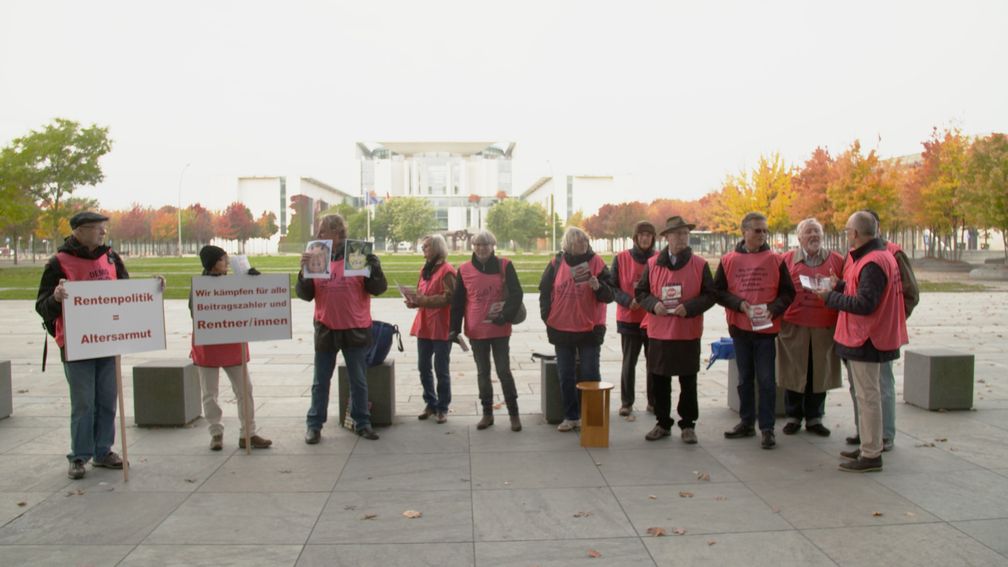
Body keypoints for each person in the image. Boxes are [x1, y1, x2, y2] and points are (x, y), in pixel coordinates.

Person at [36, 211, 129, 479]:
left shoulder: (110, 258)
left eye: (104, 229)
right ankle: (79, 455)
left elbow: (126, 293)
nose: (103, 233)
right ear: (79, 230)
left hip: (108, 342)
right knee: (84, 404)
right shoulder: (58, 263)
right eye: (98, 228)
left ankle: (103, 450)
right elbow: (42, 307)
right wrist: (55, 298)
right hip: (77, 345)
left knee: (107, 400)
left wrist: (153, 289)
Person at [815, 211, 908, 472]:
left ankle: (871, 454)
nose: (846, 235)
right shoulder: (873, 257)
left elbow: (866, 303)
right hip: (864, 337)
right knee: (867, 396)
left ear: (855, 233)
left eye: (847, 231)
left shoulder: (873, 261)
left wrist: (829, 299)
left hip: (867, 338)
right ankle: (869, 445)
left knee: (868, 397)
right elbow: (862, 291)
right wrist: (841, 285)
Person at [297, 214, 387, 443]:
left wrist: (374, 268)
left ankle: (362, 422)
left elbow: (378, 288)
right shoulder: (317, 256)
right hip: (326, 327)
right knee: (320, 381)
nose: (318, 236)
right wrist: (303, 273)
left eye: (323, 231)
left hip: (355, 327)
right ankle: (314, 425)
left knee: (358, 379)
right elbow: (305, 295)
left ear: (337, 233)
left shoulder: (356, 253)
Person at [715, 212, 796, 449]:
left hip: (766, 329)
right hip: (740, 328)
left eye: (764, 231)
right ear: (744, 232)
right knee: (744, 379)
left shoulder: (776, 260)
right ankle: (747, 421)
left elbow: (788, 293)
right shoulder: (729, 259)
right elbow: (718, 291)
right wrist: (739, 305)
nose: (761, 234)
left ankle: (768, 428)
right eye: (757, 230)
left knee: (767, 380)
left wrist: (773, 309)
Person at [635, 216, 716, 443]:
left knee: (688, 380)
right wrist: (654, 305)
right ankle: (662, 422)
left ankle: (688, 424)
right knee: (660, 379)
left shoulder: (699, 264)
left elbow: (711, 295)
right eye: (677, 234)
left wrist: (689, 307)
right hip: (659, 331)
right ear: (667, 237)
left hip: (687, 331)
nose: (681, 238)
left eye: (685, 234)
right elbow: (641, 293)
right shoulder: (652, 264)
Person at [845, 210, 919, 452]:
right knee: (863, 390)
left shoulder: (887, 254)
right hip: (856, 334)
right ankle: (867, 434)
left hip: (874, 336)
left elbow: (909, 293)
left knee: (879, 386)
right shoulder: (856, 255)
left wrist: (892, 319)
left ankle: (881, 437)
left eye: (849, 230)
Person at [189, 245, 272, 451]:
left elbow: (255, 302)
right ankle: (216, 432)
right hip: (209, 344)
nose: (226, 263)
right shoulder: (200, 286)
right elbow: (196, 312)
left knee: (245, 389)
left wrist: (254, 280)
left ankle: (248, 433)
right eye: (222, 260)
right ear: (211, 264)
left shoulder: (235, 282)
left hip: (233, 343)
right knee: (210, 393)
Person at [539, 227, 615, 432]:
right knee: (566, 374)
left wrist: (598, 286)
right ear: (568, 245)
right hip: (561, 327)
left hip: (590, 329)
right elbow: (544, 291)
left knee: (590, 373)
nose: (583, 245)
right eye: (578, 242)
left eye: (585, 241)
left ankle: (592, 417)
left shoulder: (597, 262)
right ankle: (571, 416)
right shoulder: (556, 263)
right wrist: (547, 315)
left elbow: (610, 295)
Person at [450, 230, 524, 431]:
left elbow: (517, 294)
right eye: (477, 245)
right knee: (483, 373)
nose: (481, 248)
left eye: (486, 245)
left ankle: (514, 414)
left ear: (493, 246)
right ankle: (487, 413)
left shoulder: (505, 265)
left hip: (500, 327)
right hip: (476, 330)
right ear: (473, 247)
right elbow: (457, 302)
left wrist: (505, 316)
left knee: (503, 371)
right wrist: (454, 329)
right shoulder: (464, 269)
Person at [776, 218, 844, 437]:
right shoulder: (785, 260)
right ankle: (793, 416)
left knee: (819, 372)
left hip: (824, 326)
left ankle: (815, 417)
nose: (814, 236)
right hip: (794, 326)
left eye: (817, 231)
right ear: (799, 237)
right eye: (809, 232)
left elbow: (846, 288)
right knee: (793, 372)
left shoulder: (837, 261)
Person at [609, 220, 658, 416]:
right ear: (635, 238)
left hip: (653, 319)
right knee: (629, 362)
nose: (645, 238)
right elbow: (612, 287)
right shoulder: (621, 259)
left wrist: (650, 303)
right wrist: (628, 301)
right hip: (629, 318)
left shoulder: (658, 258)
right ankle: (626, 402)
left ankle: (653, 402)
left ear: (653, 238)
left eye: (649, 235)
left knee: (653, 362)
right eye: (642, 235)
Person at [406, 234, 456, 424]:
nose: (423, 249)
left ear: (436, 248)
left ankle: (442, 407)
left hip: (441, 325)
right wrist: (413, 301)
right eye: (423, 246)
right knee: (423, 366)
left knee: (441, 368)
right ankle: (430, 402)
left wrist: (424, 301)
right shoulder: (425, 269)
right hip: (425, 324)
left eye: (426, 246)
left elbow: (450, 297)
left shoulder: (447, 270)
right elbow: (421, 293)